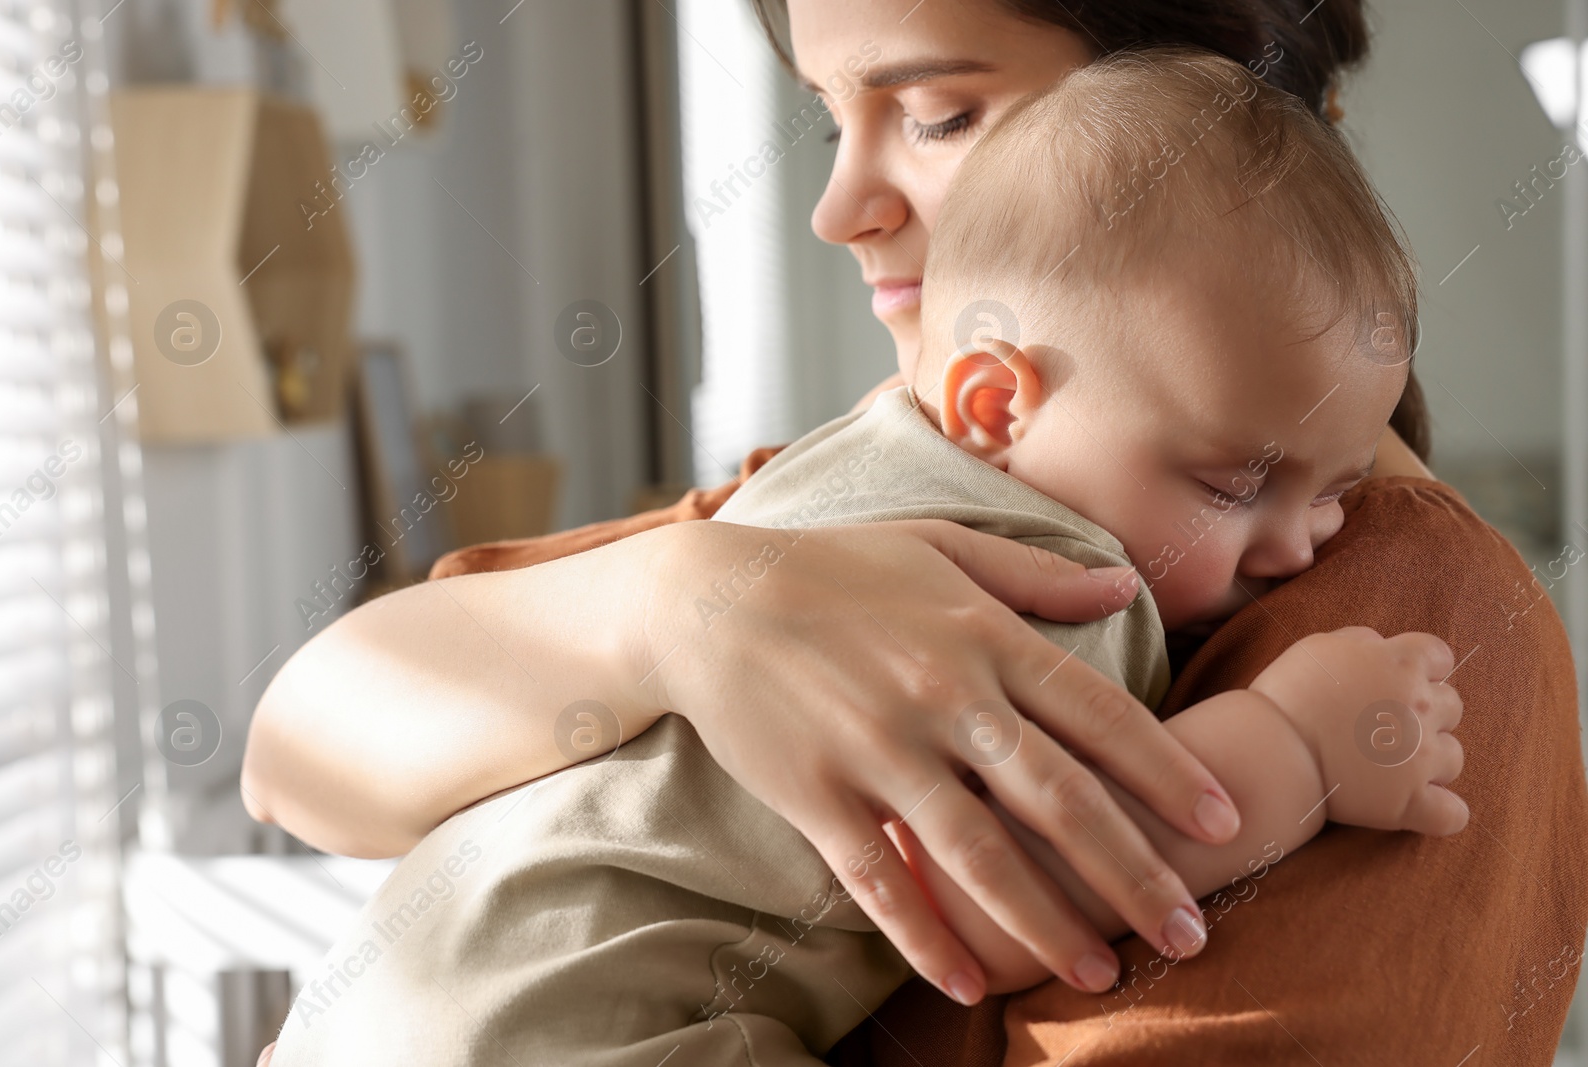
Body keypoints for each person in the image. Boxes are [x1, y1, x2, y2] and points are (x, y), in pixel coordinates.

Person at [245, 0, 1588, 1060]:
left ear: (1196, 92)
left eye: (940, 113)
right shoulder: (894, 505)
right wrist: (673, 605)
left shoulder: (1404, 615)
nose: (839, 207)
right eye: (826, 115)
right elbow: (296, 751)